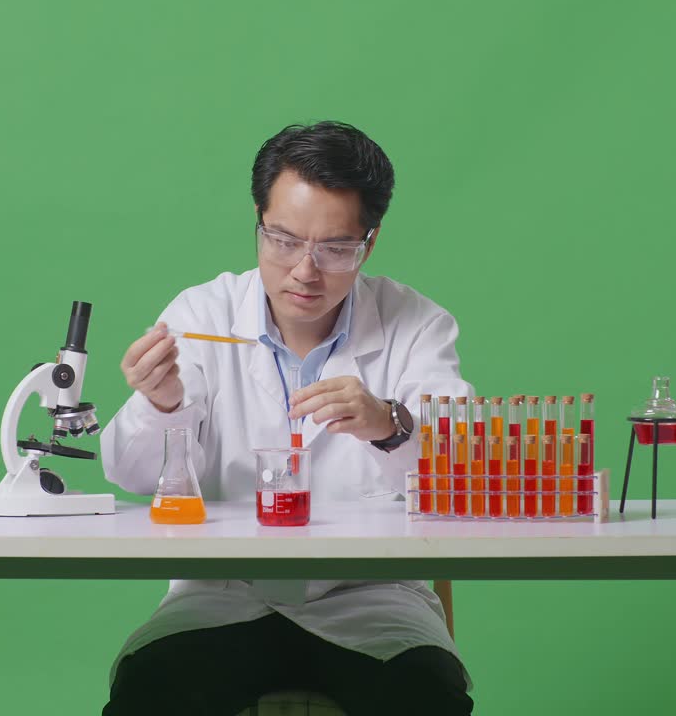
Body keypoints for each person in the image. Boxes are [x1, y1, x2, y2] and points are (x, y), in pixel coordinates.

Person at [101, 121, 474, 715]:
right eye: (283, 239)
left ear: (370, 242)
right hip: (223, 597)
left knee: (426, 696)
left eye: (335, 248)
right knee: (149, 692)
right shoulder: (202, 314)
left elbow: (464, 470)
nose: (304, 270)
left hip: (370, 600)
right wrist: (162, 404)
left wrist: (388, 423)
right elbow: (130, 473)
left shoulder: (417, 325)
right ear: (259, 220)